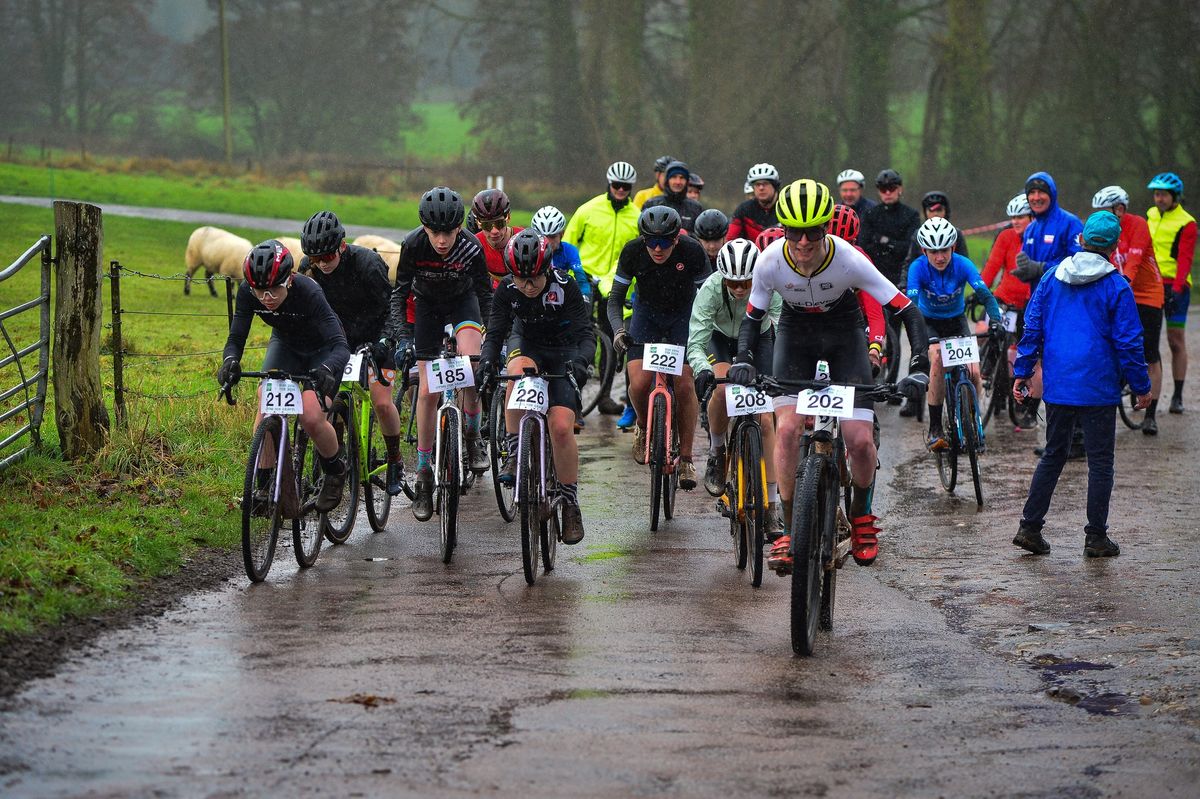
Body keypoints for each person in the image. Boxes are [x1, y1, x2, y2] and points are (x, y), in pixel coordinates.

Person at [729, 179, 930, 571]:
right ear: (783, 230)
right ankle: (789, 527)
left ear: (826, 230)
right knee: (786, 430)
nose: (803, 243)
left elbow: (905, 310)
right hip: (795, 336)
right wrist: (743, 359)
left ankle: (860, 516)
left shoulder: (849, 259)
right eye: (794, 233)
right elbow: (753, 320)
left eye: (814, 233)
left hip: (844, 336)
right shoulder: (770, 260)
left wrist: (919, 366)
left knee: (857, 438)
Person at [1011, 212, 1151, 558]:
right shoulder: (1117, 286)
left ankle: (1030, 527)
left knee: (1053, 455)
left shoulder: (1051, 278)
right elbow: (1130, 343)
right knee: (1101, 461)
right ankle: (1096, 537)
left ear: (1082, 240)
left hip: (1060, 384)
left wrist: (1024, 370)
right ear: (1115, 246)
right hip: (1099, 386)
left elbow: (1033, 328)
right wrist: (1141, 386)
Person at [476, 230, 595, 544]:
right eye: (520, 280)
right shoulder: (507, 289)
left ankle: (570, 502)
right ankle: (516, 454)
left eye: (534, 280)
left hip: (564, 353)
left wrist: (582, 362)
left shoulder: (566, 287)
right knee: (516, 372)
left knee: (559, 427)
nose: (527, 287)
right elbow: (496, 331)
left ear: (546, 271)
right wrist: (487, 360)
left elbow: (586, 335)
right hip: (527, 344)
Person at [218, 240, 351, 513]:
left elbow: (340, 347)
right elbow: (235, 338)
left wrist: (327, 370)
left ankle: (336, 469)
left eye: (273, 290)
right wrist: (230, 362)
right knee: (265, 400)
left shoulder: (310, 292)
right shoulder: (247, 292)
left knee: (311, 415)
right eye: (260, 292)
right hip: (287, 344)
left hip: (322, 351)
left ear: (289, 279)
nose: (266, 299)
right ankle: (265, 486)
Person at [391, 186, 492, 521]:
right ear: (424, 228)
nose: (442, 240)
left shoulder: (472, 247)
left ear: (459, 228)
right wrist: (403, 339)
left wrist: (491, 334)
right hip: (428, 309)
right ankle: (423, 473)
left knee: (472, 366)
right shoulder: (413, 245)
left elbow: (485, 295)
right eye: (435, 233)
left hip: (464, 305)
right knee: (427, 388)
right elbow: (399, 294)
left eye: (448, 232)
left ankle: (473, 434)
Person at [297, 210, 407, 495]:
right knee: (328, 402)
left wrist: (384, 341)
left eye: (328, 257)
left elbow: (390, 311)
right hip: (338, 342)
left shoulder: (368, 264)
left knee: (381, 402)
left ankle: (395, 459)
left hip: (375, 337)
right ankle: (337, 456)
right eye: (315, 258)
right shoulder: (307, 268)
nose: (322, 264)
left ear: (342, 246)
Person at [608, 206, 710, 489]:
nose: (657, 248)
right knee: (639, 383)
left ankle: (687, 458)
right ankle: (643, 424)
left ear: (676, 239)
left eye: (664, 241)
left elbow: (709, 297)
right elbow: (615, 299)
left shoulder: (692, 251)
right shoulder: (632, 252)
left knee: (684, 384)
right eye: (650, 241)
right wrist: (619, 331)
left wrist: (704, 336)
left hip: (684, 316)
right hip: (646, 316)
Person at [688, 238, 784, 533]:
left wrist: (778, 372)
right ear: (722, 276)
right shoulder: (710, 290)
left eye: (745, 282)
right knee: (721, 389)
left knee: (766, 421)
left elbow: (782, 332)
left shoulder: (770, 285)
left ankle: (772, 504)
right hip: (720, 340)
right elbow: (696, 341)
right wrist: (703, 370)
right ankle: (718, 452)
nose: (740, 289)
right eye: (733, 282)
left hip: (760, 338)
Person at [906, 217, 1003, 450]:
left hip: (956, 321)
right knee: (938, 360)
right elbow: (912, 304)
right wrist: (916, 335)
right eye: (934, 251)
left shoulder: (962, 264)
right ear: (924, 250)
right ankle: (935, 428)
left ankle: (972, 419)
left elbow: (985, 295)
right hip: (929, 322)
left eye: (945, 250)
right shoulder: (917, 267)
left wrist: (996, 320)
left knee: (973, 371)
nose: (940, 257)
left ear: (953, 247)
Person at [563, 161, 642, 416]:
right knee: (579, 335)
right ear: (609, 184)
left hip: (614, 283)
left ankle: (605, 395)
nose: (620, 189)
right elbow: (567, 241)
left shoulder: (637, 216)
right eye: (616, 185)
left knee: (611, 338)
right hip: (584, 278)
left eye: (625, 186)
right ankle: (572, 394)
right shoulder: (589, 209)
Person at [1092, 186, 1164, 435]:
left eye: (1105, 211)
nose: (1100, 217)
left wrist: (1121, 285)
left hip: (1147, 294)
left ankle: (1151, 415)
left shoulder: (1138, 225)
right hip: (1121, 290)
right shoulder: (1104, 230)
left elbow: (1132, 262)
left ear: (1119, 209)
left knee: (1150, 353)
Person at [860, 168, 922, 392]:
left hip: (897, 279)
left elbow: (911, 246)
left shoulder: (911, 215)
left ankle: (892, 382)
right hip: (872, 277)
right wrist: (891, 243)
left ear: (900, 189)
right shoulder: (871, 214)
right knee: (871, 326)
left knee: (895, 329)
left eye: (892, 188)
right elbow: (864, 244)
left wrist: (884, 242)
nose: (888, 193)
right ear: (878, 192)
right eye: (883, 189)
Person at [981, 193, 1039, 426]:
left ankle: (1027, 403)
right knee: (989, 329)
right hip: (1004, 298)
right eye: (1012, 217)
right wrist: (981, 292)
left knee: (1025, 351)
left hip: (1029, 302)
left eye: (1021, 217)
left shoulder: (1037, 237)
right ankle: (989, 366)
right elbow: (992, 267)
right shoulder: (1005, 236)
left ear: (1032, 217)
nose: (1015, 221)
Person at [1145, 171, 1195, 414]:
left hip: (1176, 286)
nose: (1159, 199)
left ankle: (1177, 395)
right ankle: (1144, 392)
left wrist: (1175, 290)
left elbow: (1185, 260)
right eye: (1156, 194)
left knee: (1175, 340)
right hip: (1151, 284)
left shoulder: (1187, 222)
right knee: (1147, 340)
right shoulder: (1150, 215)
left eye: (1163, 195)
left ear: (1175, 196)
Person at [529, 205, 593, 304]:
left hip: (560, 299)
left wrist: (585, 298)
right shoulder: (528, 250)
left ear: (562, 234)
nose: (548, 242)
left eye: (552, 236)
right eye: (543, 236)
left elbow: (582, 280)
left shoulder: (569, 250)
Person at [471, 188, 520, 287]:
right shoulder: (474, 244)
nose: (494, 231)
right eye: (487, 226)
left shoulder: (522, 236)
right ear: (478, 224)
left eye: (499, 223)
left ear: (508, 218)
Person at [904, 191, 969, 265]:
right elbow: (909, 264)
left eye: (939, 209)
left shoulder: (956, 234)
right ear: (925, 213)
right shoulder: (918, 235)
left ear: (946, 212)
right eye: (931, 210)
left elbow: (965, 262)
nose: (935, 213)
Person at [643, 160, 705, 233]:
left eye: (682, 178)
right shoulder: (652, 204)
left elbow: (702, 237)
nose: (678, 182)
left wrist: (687, 235)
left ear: (687, 181)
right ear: (667, 180)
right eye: (674, 177)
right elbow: (643, 233)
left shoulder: (696, 208)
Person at [728, 163, 781, 242]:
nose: (761, 188)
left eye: (765, 183)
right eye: (757, 184)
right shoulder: (744, 210)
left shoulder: (786, 206)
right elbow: (730, 239)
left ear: (775, 186)